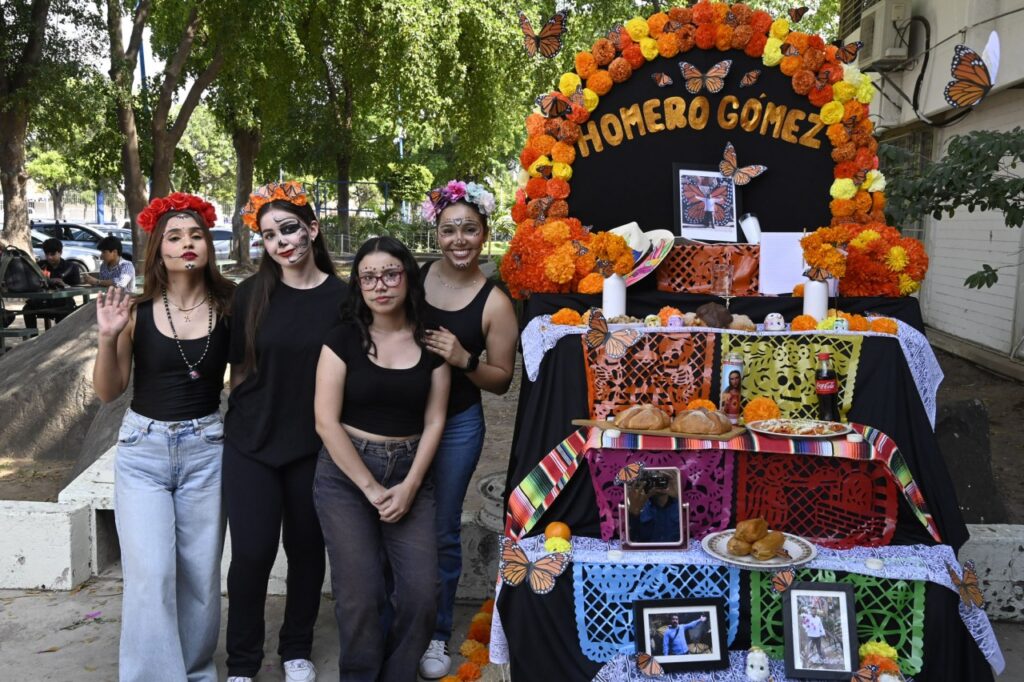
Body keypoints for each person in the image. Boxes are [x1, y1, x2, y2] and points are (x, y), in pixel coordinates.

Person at [92, 193, 234, 682]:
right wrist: (107, 338)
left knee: (200, 574)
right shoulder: (135, 310)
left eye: (196, 235)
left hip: (207, 449)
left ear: (208, 246)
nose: (186, 243)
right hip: (143, 451)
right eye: (174, 237)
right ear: (159, 249)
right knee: (151, 574)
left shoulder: (229, 306)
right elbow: (108, 390)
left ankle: (194, 670)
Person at [223, 181, 347, 682]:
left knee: (306, 551)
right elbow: (238, 370)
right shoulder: (249, 294)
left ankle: (297, 646)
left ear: (312, 229)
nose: (281, 243)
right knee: (251, 554)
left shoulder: (344, 298)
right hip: (251, 443)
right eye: (269, 236)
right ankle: (242, 661)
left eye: (289, 229)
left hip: (314, 446)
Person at [314, 236, 450, 682]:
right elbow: (325, 422)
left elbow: (435, 420)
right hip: (346, 474)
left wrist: (409, 486)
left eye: (390, 274)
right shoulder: (342, 339)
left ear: (407, 277)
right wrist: (371, 489)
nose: (380, 285)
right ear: (358, 285)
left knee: (421, 594)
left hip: (410, 471)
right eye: (368, 277)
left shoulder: (431, 341)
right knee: (360, 594)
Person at [415, 180, 518, 679]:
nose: (459, 239)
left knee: (441, 528)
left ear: (485, 234)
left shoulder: (495, 303)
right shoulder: (414, 278)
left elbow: (501, 380)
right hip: (401, 422)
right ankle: (397, 620)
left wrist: (464, 359)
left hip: (457, 424)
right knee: (396, 520)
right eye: (449, 229)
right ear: (436, 233)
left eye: (469, 229)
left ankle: (436, 634)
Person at [22, 238, 81, 328]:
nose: (49, 257)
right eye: (47, 254)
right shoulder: (40, 266)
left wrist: (65, 285)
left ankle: (59, 335)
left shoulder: (71, 267)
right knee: (27, 309)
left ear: (60, 252)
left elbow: (77, 288)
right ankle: (32, 335)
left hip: (63, 303)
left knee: (63, 313)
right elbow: (32, 283)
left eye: (53, 254)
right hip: (43, 302)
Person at [626, 474, 681, 543]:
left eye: (664, 480)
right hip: (645, 549)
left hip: (676, 549)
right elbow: (631, 538)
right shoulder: (640, 505)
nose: (661, 483)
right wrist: (633, 513)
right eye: (656, 480)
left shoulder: (681, 506)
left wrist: (678, 493)